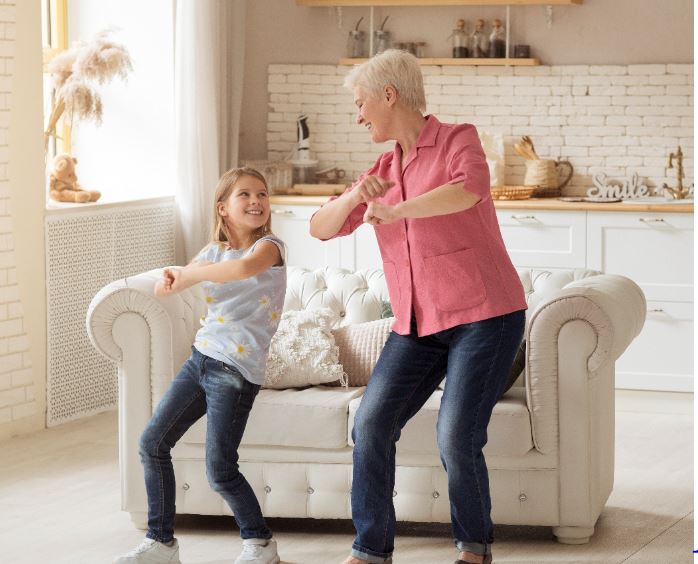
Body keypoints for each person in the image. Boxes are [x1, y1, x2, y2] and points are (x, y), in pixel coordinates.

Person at [309, 50, 527, 564]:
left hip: (485, 317)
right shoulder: (383, 168)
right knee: (370, 425)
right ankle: (370, 550)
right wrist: (354, 198)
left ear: (389, 95)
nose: (358, 116)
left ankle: (474, 550)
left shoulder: (457, 139)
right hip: (417, 325)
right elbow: (320, 227)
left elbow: (467, 190)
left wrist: (397, 210)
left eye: (360, 103)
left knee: (455, 434)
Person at [114, 167, 285, 564]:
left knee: (220, 468)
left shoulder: (270, 248)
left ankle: (260, 543)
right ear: (223, 208)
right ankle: (161, 543)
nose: (257, 201)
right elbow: (167, 288)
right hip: (201, 360)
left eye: (262, 194)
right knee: (152, 444)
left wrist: (188, 273)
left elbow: (240, 270)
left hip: (237, 370)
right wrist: (172, 278)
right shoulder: (212, 252)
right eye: (245, 195)